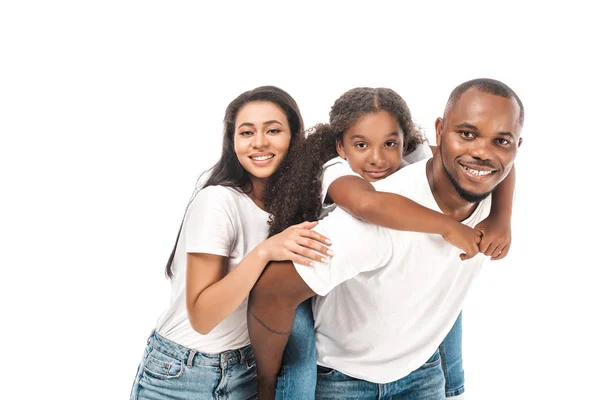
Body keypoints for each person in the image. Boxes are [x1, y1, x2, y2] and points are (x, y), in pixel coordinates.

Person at [248, 78, 524, 399]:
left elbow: (495, 155)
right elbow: (369, 205)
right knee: (299, 356)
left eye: (390, 144)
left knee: (442, 293)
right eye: (361, 145)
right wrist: (448, 227)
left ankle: (453, 385)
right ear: (342, 146)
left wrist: (501, 217)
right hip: (335, 347)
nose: (378, 159)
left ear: (405, 141)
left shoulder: (446, 159)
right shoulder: (340, 176)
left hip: (418, 367)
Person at [129, 86, 332, 400]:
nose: (259, 142)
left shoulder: (290, 205)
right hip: (184, 374)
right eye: (246, 132)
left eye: (273, 130)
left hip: (246, 370)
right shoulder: (218, 202)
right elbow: (202, 317)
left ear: (294, 136)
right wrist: (264, 252)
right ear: (232, 142)